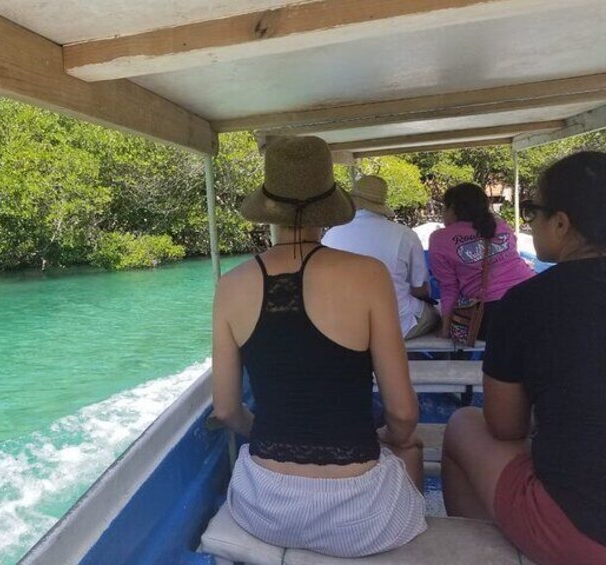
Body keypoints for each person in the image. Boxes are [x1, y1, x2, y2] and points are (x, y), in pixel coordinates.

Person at [212, 137, 426, 558]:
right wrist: (390, 438)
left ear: (267, 211)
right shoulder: (368, 275)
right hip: (360, 515)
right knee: (411, 450)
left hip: (263, 506)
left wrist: (278, 436)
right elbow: (403, 414)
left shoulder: (229, 285)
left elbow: (226, 410)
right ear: (328, 208)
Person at [441, 152, 606, 564]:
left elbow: (504, 426)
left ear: (563, 223)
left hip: (582, 528)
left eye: (533, 211)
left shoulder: (528, 303)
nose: (527, 222)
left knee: (463, 424)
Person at [324, 175, 439, 339]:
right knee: (436, 316)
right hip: (397, 323)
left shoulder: (331, 234)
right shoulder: (405, 235)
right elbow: (420, 289)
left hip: (346, 324)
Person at [428, 183, 533, 340]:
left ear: (452, 209)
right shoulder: (501, 226)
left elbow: (449, 288)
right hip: (533, 297)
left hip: (491, 312)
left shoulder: (440, 238)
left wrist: (445, 328)